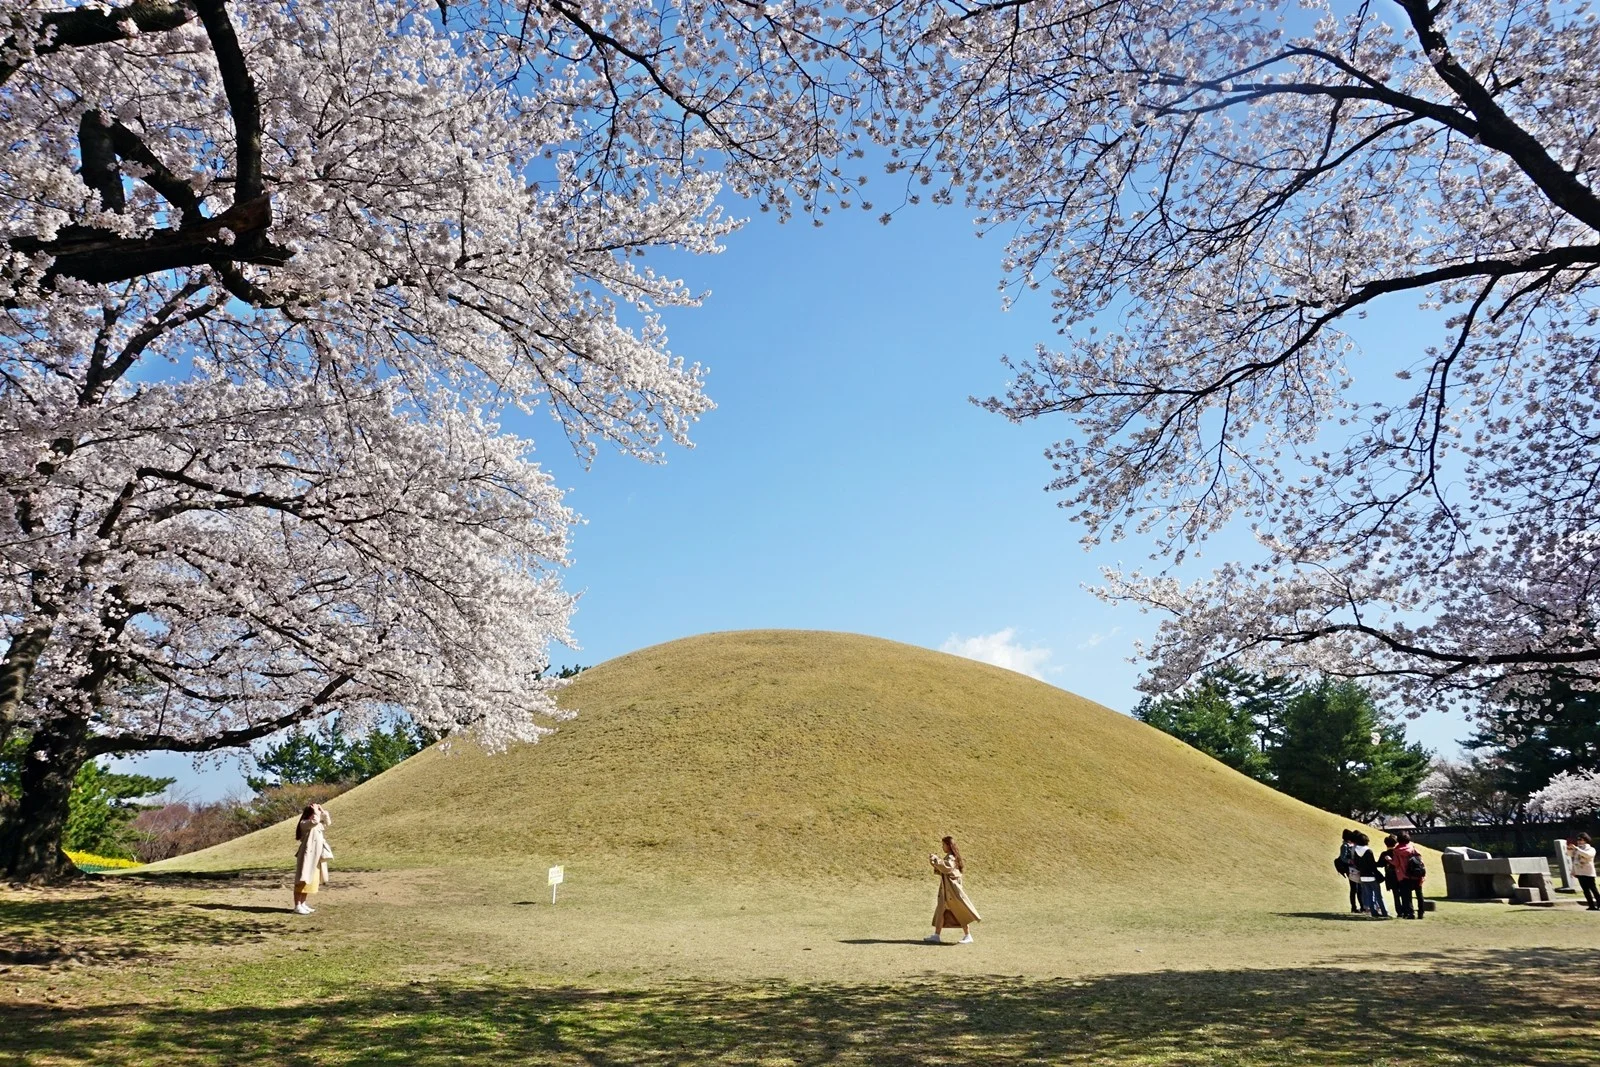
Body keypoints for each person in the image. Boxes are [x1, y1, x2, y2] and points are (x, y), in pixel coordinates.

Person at [924, 836, 981, 944]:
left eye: (943, 845)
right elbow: (943, 869)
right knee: (941, 911)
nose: (942, 847)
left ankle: (968, 935)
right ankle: (936, 935)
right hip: (947, 890)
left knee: (959, 911)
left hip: (951, 891)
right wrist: (935, 863)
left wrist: (936, 860)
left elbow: (947, 868)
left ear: (948, 846)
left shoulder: (951, 857)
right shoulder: (950, 857)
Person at [292, 803, 332, 915]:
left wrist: (322, 810)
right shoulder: (304, 823)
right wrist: (315, 812)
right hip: (307, 856)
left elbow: (328, 822)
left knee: (310, 880)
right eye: (315, 812)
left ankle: (303, 903)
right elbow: (314, 821)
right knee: (302, 880)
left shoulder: (317, 823)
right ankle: (297, 905)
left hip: (316, 856)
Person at [1350, 831, 1389, 918]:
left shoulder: (1356, 851)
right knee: (1378, 896)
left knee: (1370, 896)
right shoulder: (1368, 851)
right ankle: (1384, 912)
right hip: (1371, 876)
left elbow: (1356, 863)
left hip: (1363, 876)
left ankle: (1373, 912)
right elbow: (1372, 865)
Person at [1391, 831, 1426, 920]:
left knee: (1406, 896)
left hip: (1404, 876)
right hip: (1416, 874)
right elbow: (1420, 860)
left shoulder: (1396, 850)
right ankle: (1421, 912)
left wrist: (1389, 860)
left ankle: (1410, 913)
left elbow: (1396, 863)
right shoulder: (1413, 848)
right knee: (1419, 894)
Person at [1377, 835, 1409, 918]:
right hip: (1401, 875)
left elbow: (1380, 864)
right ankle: (1406, 911)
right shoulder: (1398, 852)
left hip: (1390, 877)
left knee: (1396, 895)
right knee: (1404, 893)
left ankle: (1399, 912)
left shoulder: (1384, 854)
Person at [1569, 833, 1599, 910]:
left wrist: (1577, 849)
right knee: (1585, 890)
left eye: (1581, 840)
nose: (1579, 841)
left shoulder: (1591, 849)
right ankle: (1591, 905)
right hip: (1579, 872)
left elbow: (1587, 855)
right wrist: (1573, 871)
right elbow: (1574, 860)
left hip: (1588, 872)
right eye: (1578, 839)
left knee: (1593, 889)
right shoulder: (1577, 849)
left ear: (1586, 840)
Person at [1336, 830, 1361, 913]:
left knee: (1358, 888)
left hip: (1354, 868)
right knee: (1354, 888)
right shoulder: (1344, 846)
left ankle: (1360, 906)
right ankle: (1353, 907)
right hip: (1349, 869)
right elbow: (1343, 858)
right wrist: (1350, 861)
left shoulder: (1350, 845)